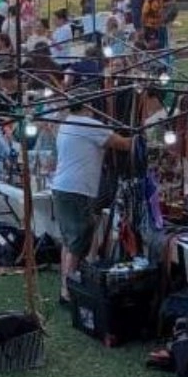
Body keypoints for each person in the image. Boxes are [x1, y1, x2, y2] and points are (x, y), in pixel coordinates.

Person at [52, 96, 135, 303]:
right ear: (88, 105)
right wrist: (144, 138)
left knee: (69, 240)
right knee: (79, 239)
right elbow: (123, 144)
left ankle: (67, 283)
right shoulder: (88, 124)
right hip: (76, 190)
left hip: (62, 187)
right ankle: (69, 289)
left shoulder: (67, 123)